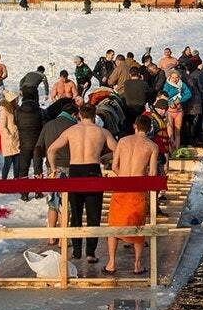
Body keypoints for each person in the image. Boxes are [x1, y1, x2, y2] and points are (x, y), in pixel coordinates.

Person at [46, 107, 118, 262]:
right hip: (93, 170)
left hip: (76, 171)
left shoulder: (71, 131)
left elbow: (51, 149)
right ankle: (91, 253)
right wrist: (105, 157)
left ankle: (77, 251)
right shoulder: (102, 132)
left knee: (76, 214)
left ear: (79, 115)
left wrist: (53, 169)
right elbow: (118, 150)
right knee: (93, 214)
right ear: (94, 115)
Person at [105, 115, 160, 275]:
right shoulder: (152, 146)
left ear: (134, 126)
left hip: (121, 187)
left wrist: (123, 174)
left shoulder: (123, 141)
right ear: (149, 129)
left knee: (114, 224)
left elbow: (114, 166)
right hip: (138, 189)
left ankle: (111, 263)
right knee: (138, 226)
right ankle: (137, 264)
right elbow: (152, 173)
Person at [161, 67, 192, 152]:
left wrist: (180, 99)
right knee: (170, 133)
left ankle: (176, 150)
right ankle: (171, 151)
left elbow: (189, 94)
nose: (175, 79)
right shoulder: (167, 85)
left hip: (179, 111)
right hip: (170, 112)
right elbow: (165, 96)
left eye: (177, 77)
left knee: (177, 132)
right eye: (173, 77)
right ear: (170, 77)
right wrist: (172, 99)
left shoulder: (182, 84)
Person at [0, 94, 22, 180]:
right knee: (8, 162)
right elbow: (2, 127)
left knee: (17, 162)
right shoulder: (4, 111)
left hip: (16, 139)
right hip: (9, 141)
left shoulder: (14, 109)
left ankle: (16, 180)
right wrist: (9, 137)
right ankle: (4, 181)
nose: (16, 101)